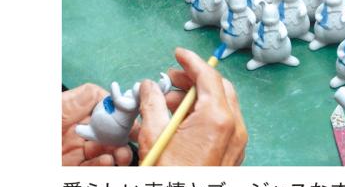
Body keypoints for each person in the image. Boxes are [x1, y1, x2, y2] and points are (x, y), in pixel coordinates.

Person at [62, 48, 248, 166]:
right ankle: (88, 131)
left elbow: (118, 99)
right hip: (102, 127)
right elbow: (118, 99)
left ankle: (88, 131)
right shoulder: (130, 104)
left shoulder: (130, 104)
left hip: (106, 127)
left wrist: (116, 91)